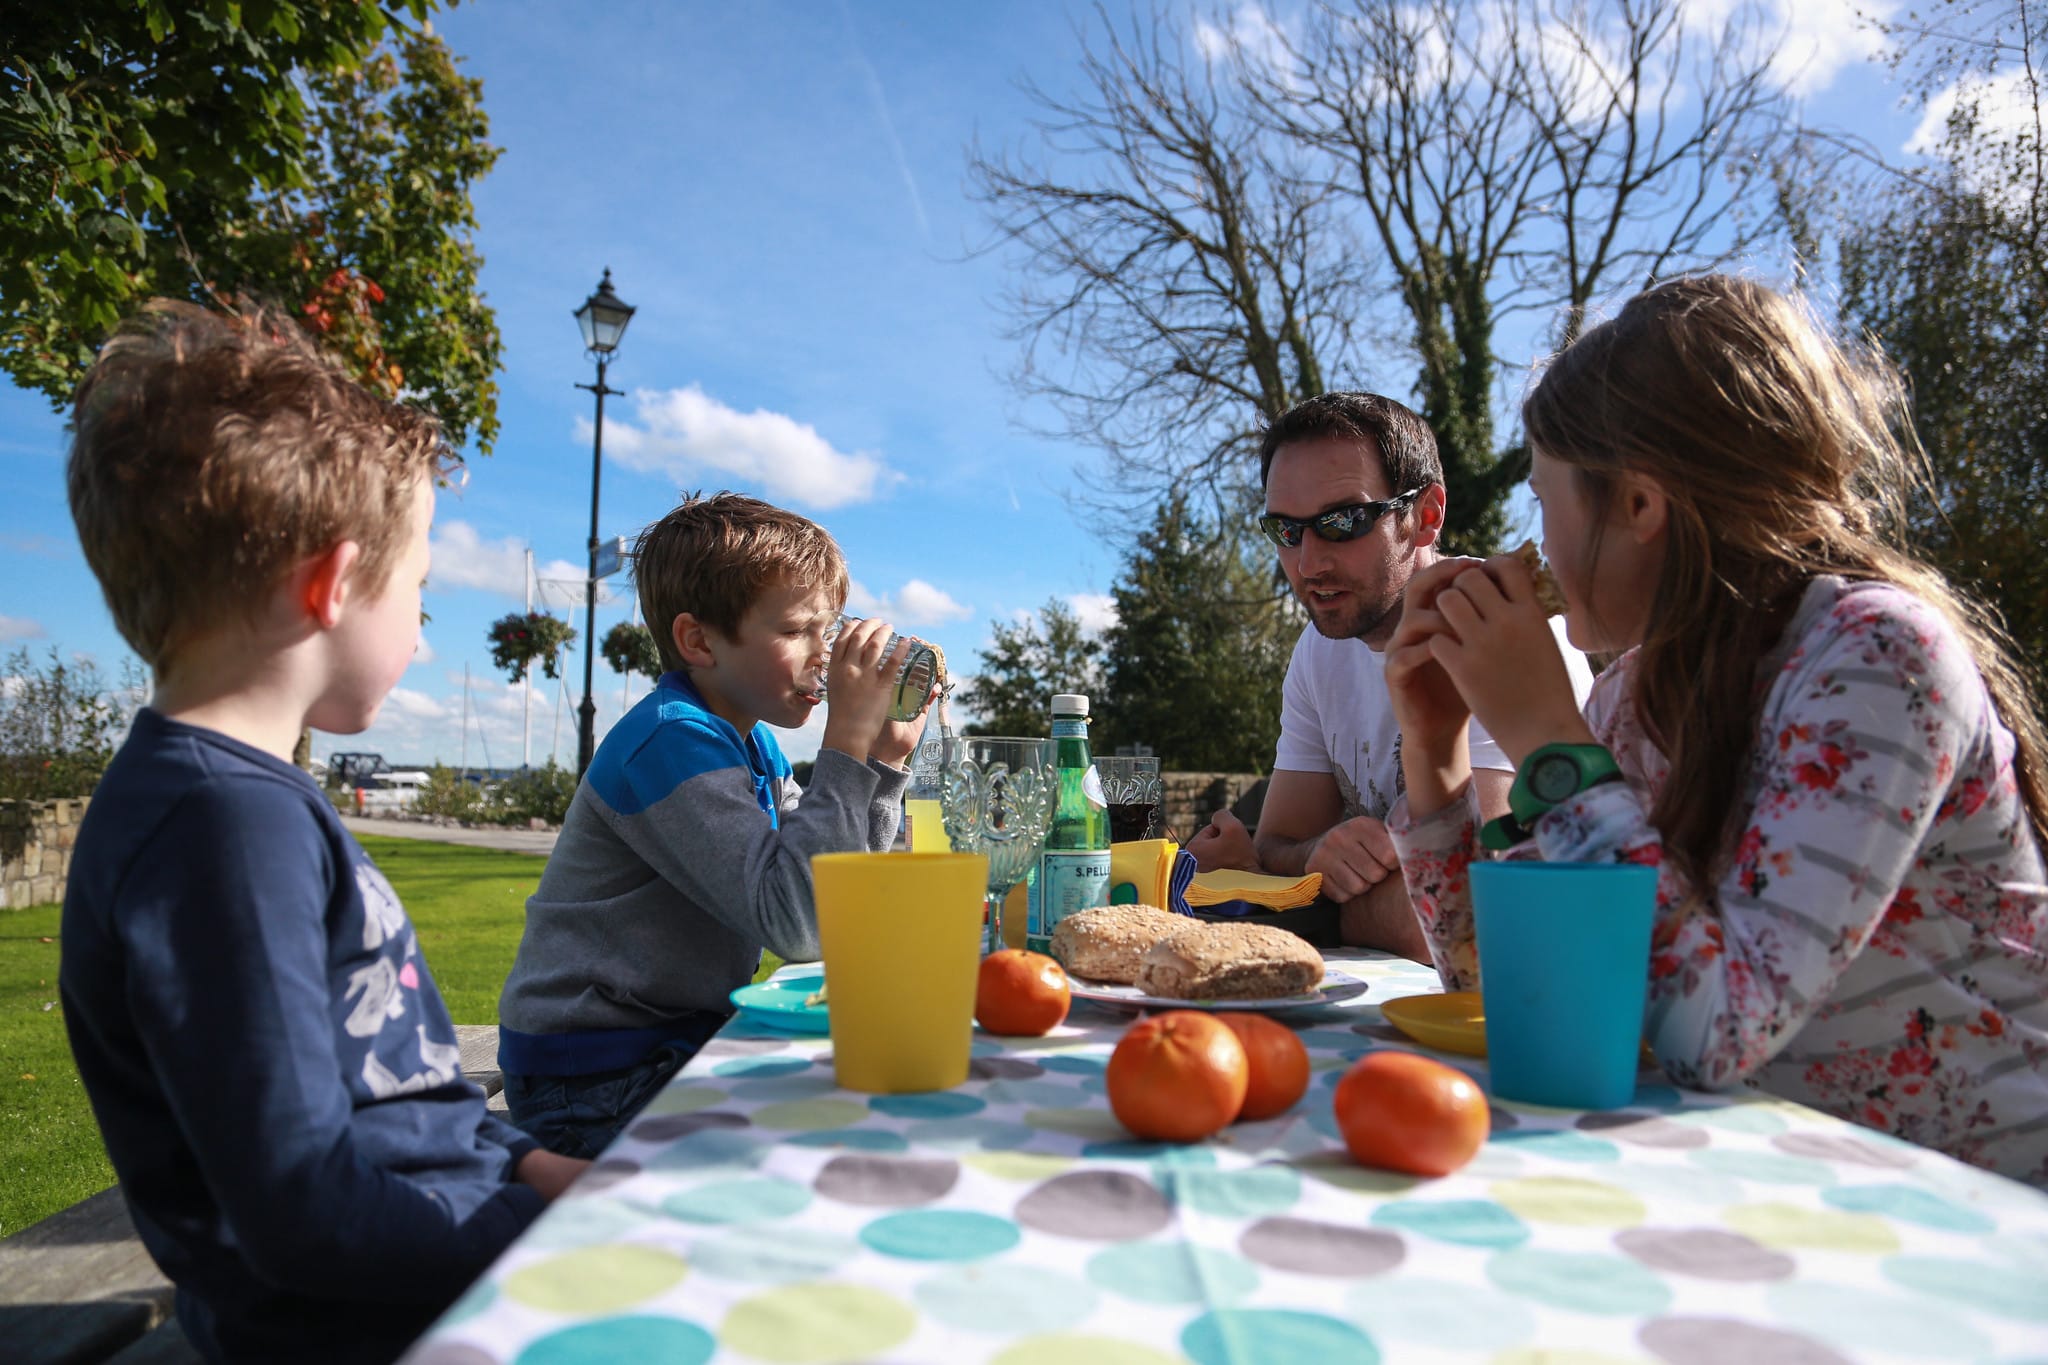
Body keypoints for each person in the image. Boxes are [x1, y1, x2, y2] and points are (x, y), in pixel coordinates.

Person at [1384, 274, 2048, 1184]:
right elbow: (1513, 994)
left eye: (1544, 501)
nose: (1530, 546)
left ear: (1639, 505)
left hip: (1976, 1216)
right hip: (1780, 1182)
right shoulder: (1628, 701)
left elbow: (1715, 1030)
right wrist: (1435, 751)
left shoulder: (1875, 657)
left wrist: (1548, 738)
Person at [60, 302, 587, 1365]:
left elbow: (402, 1086)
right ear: (334, 583)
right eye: (420, 589)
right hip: (373, 1327)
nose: (421, 628)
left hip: (440, 1259)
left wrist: (539, 1169)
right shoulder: (218, 826)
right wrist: (569, 1239)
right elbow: (306, 1213)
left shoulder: (243, 799)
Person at [497, 493, 926, 1158]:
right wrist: (844, 744)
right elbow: (802, 922)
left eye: (829, 628)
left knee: (881, 1096)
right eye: (795, 631)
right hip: (592, 1076)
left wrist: (884, 762)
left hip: (664, 1047)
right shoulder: (670, 743)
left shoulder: (751, 743)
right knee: (845, 1138)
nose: (824, 656)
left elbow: (844, 908)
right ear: (699, 641)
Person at [1187, 391, 1594, 957]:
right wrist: (1314, 857)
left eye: (1343, 521)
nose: (1308, 563)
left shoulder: (1499, 632)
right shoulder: (1319, 650)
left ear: (1425, 517)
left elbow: (1475, 915)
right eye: (1286, 530)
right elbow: (1278, 841)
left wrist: (1296, 904)